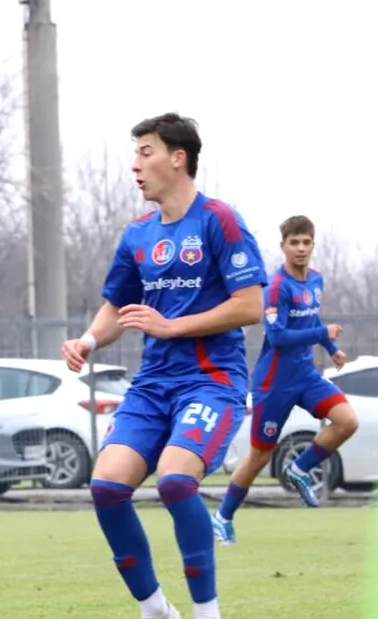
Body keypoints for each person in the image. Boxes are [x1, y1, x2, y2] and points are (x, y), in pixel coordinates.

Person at [61, 113, 267, 619]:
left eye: (145, 152)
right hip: (153, 386)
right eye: (135, 154)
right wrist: (89, 339)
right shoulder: (137, 234)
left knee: (175, 481)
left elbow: (250, 306)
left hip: (211, 381)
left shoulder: (219, 219)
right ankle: (155, 609)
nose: (135, 165)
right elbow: (118, 308)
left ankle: (207, 613)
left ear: (179, 158)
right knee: (107, 485)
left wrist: (173, 326)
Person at [211, 215, 358, 543]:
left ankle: (300, 468)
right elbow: (277, 338)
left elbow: (312, 320)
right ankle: (222, 516)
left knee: (347, 421)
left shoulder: (316, 280)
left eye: (306, 242)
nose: (301, 248)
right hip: (274, 384)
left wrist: (330, 347)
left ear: (313, 245)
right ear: (283, 247)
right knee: (260, 455)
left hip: (305, 376)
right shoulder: (275, 287)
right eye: (295, 243)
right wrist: (323, 332)